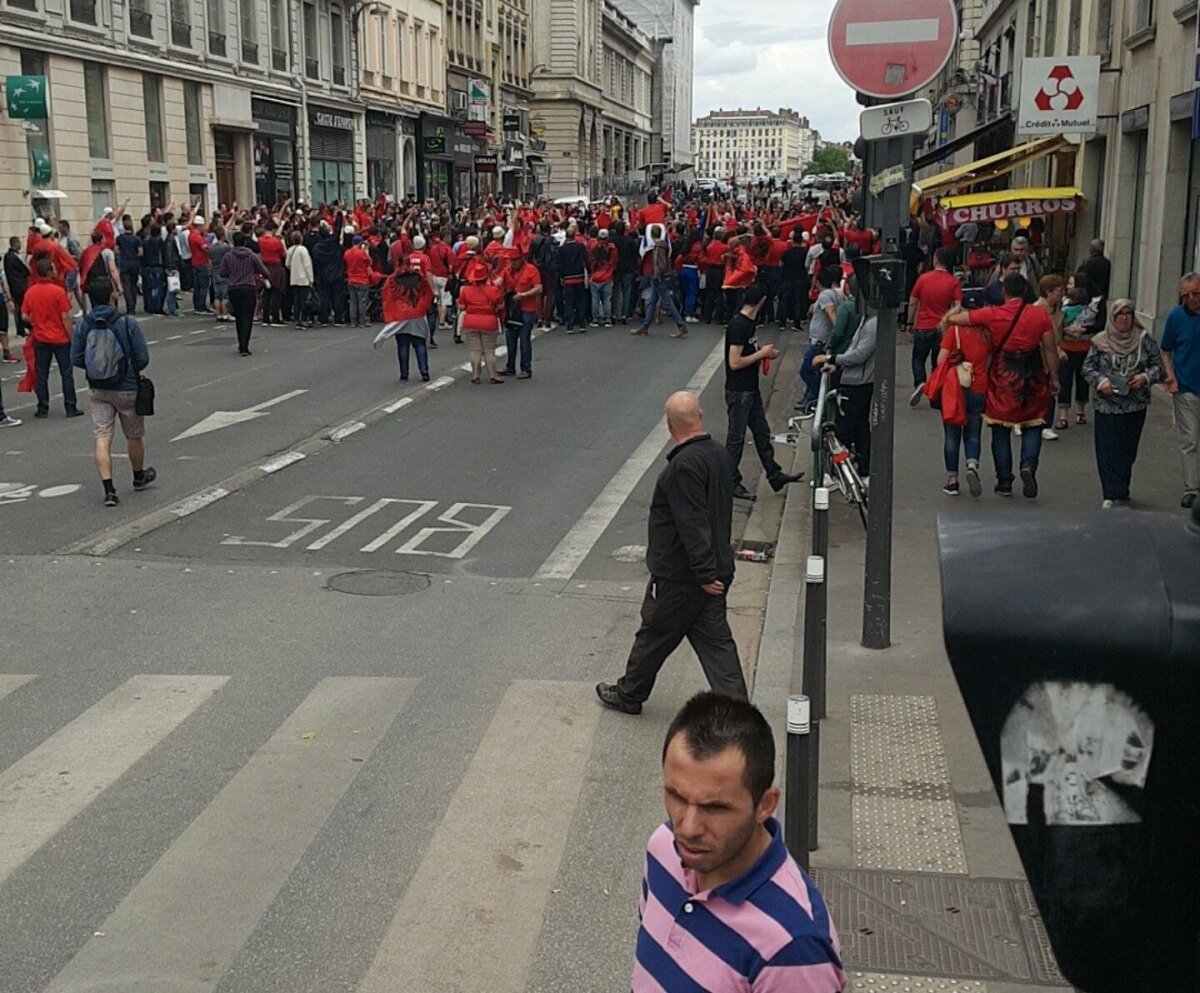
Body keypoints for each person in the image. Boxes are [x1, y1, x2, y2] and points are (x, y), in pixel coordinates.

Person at [632, 692, 845, 993]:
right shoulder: (663, 846)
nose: (688, 828)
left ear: (765, 804)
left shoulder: (793, 946)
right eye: (677, 797)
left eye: (715, 808)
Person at [596, 391, 746, 714]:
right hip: (716, 569)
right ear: (700, 416)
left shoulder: (683, 467)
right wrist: (714, 570)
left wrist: (703, 574)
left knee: (654, 635)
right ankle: (738, 711)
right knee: (716, 645)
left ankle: (630, 694)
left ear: (669, 424)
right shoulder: (719, 455)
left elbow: (692, 524)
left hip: (683, 576)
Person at [946, 273, 1059, 498]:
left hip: (1003, 372)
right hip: (1033, 371)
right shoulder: (1040, 315)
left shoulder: (993, 314)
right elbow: (1049, 349)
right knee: (1034, 422)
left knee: (1000, 427)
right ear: (1026, 291)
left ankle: (1004, 481)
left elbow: (958, 320)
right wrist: (1054, 377)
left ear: (1004, 292)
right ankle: (1028, 465)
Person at [71, 278, 154, 507]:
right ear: (112, 296)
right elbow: (142, 358)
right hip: (127, 387)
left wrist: (96, 367)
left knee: (102, 435)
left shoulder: (84, 324)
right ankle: (138, 475)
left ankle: (109, 489)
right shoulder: (127, 322)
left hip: (98, 388)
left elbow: (76, 358)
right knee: (134, 435)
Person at [724, 285, 803, 501]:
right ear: (762, 301)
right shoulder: (739, 325)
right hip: (739, 390)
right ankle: (730, 481)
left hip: (750, 388)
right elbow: (735, 362)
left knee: (761, 432)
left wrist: (762, 354)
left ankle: (774, 473)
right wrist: (761, 354)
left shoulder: (748, 324)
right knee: (736, 438)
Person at [1082, 300, 1164, 508]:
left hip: (1134, 405)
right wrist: (1102, 382)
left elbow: (1158, 366)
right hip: (1107, 405)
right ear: (1112, 317)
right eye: (1120, 314)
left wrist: (1144, 378)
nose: (1124, 318)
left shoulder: (1143, 340)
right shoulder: (1100, 341)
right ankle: (1111, 493)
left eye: (1128, 313)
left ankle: (1122, 489)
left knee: (1127, 449)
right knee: (1107, 449)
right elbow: (1088, 368)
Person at [933, 306, 991, 496]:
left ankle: (952, 480)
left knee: (952, 434)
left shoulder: (954, 331)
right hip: (979, 386)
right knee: (973, 432)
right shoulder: (986, 334)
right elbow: (989, 361)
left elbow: (941, 360)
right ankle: (972, 464)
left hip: (955, 388)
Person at [815, 314, 877, 485]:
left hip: (858, 382)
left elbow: (859, 354)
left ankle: (835, 473)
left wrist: (831, 358)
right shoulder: (866, 320)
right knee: (860, 429)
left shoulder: (872, 323)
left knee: (844, 429)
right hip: (858, 379)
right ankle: (863, 471)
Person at [21, 258, 81, 419]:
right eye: (53, 269)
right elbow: (65, 317)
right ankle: (70, 406)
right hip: (60, 338)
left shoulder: (31, 292)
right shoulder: (58, 292)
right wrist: (71, 337)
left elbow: (24, 315)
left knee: (42, 374)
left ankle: (42, 407)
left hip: (41, 337)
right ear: (48, 272)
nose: (56, 271)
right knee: (66, 373)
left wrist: (35, 321)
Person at [1162, 273, 1200, 509]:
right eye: (1186, 295)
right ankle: (1192, 489)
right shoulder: (1176, 316)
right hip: (1186, 386)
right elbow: (1166, 349)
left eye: (1195, 293)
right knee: (1190, 440)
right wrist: (1170, 377)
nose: (1191, 298)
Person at [906, 246, 962, 405]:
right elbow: (958, 305)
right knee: (938, 361)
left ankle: (920, 381)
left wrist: (910, 322)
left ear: (935, 259)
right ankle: (935, 394)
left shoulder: (923, 278)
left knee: (918, 357)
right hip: (942, 328)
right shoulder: (953, 282)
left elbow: (913, 302)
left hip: (924, 325)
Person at [380, 252, 435, 382]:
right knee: (419, 343)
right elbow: (427, 292)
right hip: (417, 314)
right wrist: (422, 307)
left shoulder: (392, 279)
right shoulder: (419, 277)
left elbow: (386, 296)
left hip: (400, 315)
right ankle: (424, 370)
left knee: (403, 344)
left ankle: (404, 373)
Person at [1055, 277, 1099, 429]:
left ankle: (1064, 416)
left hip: (1072, 347)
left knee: (1067, 381)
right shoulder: (1091, 309)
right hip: (1081, 348)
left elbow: (1058, 327)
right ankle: (1079, 412)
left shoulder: (1063, 309)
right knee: (1078, 381)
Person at [797, 266, 841, 411]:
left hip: (820, 340)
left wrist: (837, 332)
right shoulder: (834, 294)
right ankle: (808, 398)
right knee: (814, 370)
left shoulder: (825, 296)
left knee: (806, 370)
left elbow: (830, 312)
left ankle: (816, 398)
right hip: (820, 338)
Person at [219, 231, 270, 355]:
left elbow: (222, 273)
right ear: (245, 242)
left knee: (239, 317)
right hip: (248, 287)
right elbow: (264, 271)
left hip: (234, 288)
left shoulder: (228, 256)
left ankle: (240, 341)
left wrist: (232, 273)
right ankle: (244, 345)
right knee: (247, 317)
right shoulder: (251, 255)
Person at [457, 257, 506, 384]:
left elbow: (461, 306)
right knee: (489, 351)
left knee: (475, 350)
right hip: (489, 321)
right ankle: (493, 375)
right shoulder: (493, 290)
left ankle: (475, 375)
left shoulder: (466, 290)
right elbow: (500, 306)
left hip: (471, 321)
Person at [638, 224, 688, 338]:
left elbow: (661, 264)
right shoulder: (662, 245)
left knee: (667, 302)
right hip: (660, 277)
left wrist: (657, 275)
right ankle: (645, 326)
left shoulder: (658, 247)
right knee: (652, 302)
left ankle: (681, 325)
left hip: (659, 277)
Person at [504, 251, 541, 379]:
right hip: (512, 310)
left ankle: (526, 368)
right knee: (510, 339)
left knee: (524, 340)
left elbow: (538, 288)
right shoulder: (507, 270)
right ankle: (510, 366)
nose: (512, 262)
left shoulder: (531, 270)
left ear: (521, 259)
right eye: (511, 260)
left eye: (515, 260)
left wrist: (523, 295)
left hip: (527, 309)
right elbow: (500, 283)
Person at [286, 231, 314, 328]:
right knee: (304, 300)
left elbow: (287, 264)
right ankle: (304, 319)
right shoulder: (303, 250)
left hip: (294, 278)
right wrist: (311, 278)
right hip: (303, 279)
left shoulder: (290, 250)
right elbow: (307, 265)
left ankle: (297, 319)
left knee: (296, 300)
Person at [114, 217, 142, 315]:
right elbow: (140, 252)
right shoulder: (137, 239)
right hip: (134, 263)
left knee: (126, 285)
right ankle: (133, 305)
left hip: (124, 262)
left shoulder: (119, 238)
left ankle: (130, 307)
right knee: (134, 285)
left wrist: (123, 253)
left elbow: (116, 250)